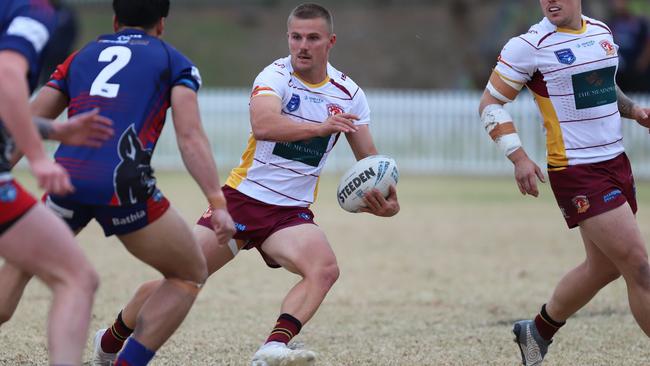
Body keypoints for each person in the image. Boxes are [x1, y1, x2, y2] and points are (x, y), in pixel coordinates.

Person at [90, 3, 400, 366]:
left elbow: (370, 163)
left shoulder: (349, 95)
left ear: (330, 41)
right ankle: (109, 340)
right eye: (295, 37)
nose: (302, 46)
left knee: (325, 269)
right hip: (241, 199)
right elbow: (264, 125)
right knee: (182, 276)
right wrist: (320, 127)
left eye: (312, 38)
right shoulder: (275, 77)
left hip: (290, 213)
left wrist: (385, 200)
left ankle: (272, 347)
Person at [0, 0, 236, 365]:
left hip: (67, 179)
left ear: (114, 20)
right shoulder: (175, 61)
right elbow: (190, 137)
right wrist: (216, 204)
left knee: (19, 270)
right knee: (189, 273)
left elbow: (27, 119)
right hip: (123, 185)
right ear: (161, 24)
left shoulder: (78, 58)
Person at [478, 0, 650, 364]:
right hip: (577, 171)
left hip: (616, 162)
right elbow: (490, 105)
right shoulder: (529, 46)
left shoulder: (601, 32)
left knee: (604, 267)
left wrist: (633, 110)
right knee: (639, 267)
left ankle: (537, 330)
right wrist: (519, 157)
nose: (551, 1)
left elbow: (604, 85)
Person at [0, 0, 117, 365]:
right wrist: (36, 156)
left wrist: (52, 129)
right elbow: (7, 77)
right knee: (76, 279)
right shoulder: (33, 10)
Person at [608, 0, 650, 92]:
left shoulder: (640, 23)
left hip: (639, 71)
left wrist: (643, 61)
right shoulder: (611, 23)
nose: (617, 5)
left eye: (620, 2)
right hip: (621, 73)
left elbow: (647, 42)